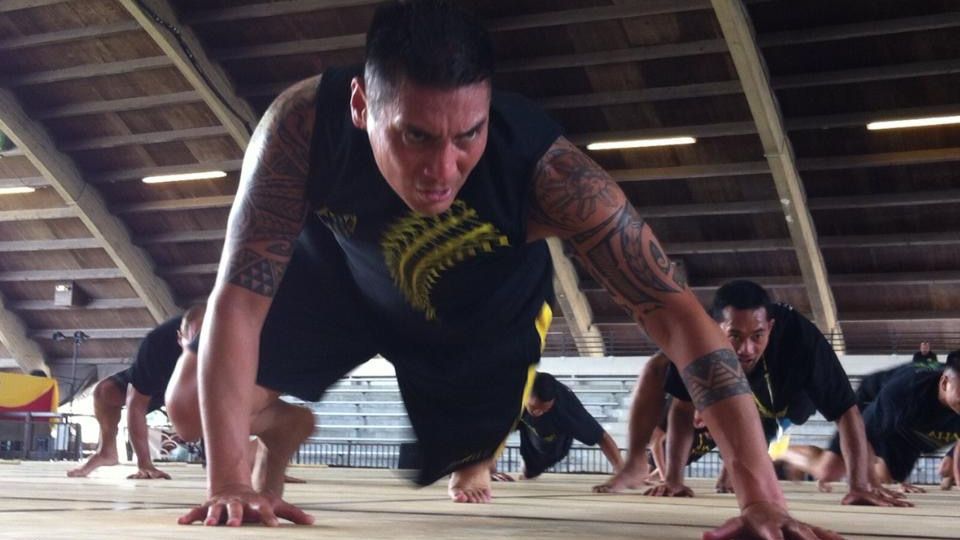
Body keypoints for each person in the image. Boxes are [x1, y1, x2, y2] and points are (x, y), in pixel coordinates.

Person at [173, 3, 843, 537]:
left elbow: (674, 312)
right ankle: (283, 426)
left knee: (469, 465)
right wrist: (226, 481)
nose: (443, 170)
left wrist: (761, 494)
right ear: (360, 105)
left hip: (477, 314)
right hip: (342, 278)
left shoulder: (551, 175)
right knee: (185, 410)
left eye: (468, 134)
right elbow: (238, 302)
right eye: (415, 135)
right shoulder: (301, 127)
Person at [595, 280, 903, 507]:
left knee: (767, 434)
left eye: (757, 336)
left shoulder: (802, 341)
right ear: (715, 328)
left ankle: (756, 460)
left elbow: (847, 412)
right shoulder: (699, 337)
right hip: (738, 391)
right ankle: (660, 465)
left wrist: (860, 485)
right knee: (658, 366)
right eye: (735, 336)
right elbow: (682, 407)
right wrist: (673, 480)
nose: (746, 349)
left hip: (788, 398)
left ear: (771, 326)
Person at [782, 350, 960, 493]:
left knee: (885, 479)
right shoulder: (904, 394)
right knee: (828, 471)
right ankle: (780, 450)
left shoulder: (949, 399)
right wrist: (872, 485)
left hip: (912, 428)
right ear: (945, 383)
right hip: (874, 401)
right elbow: (862, 433)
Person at [66, 307, 204, 479]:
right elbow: (136, 404)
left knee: (194, 430)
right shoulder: (158, 343)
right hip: (165, 380)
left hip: (209, 386)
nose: (199, 349)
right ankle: (106, 452)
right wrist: (145, 464)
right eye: (193, 345)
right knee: (105, 392)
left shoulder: (229, 337)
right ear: (179, 338)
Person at [491, 372, 622, 481]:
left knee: (534, 468)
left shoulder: (566, 406)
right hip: (517, 415)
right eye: (535, 408)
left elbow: (602, 437)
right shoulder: (507, 392)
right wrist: (490, 471)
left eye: (545, 409)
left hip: (553, 435)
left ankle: (531, 465)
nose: (539, 412)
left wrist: (621, 470)